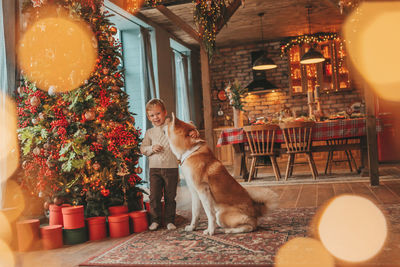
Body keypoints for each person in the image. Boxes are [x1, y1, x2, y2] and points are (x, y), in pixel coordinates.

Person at [140, 99, 179, 231]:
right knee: (154, 196)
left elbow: (183, 128)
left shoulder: (171, 127)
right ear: (148, 117)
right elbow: (143, 148)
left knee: (170, 196)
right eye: (152, 115)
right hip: (155, 169)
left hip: (171, 167)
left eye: (158, 114)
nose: (155, 117)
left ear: (165, 113)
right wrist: (151, 148)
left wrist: (169, 122)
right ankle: (155, 220)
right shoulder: (149, 133)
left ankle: (169, 220)